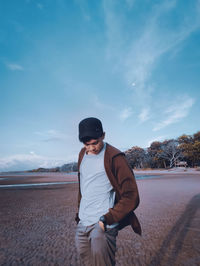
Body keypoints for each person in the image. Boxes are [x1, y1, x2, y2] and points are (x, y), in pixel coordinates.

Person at [75, 117, 141, 266]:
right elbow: (84, 187)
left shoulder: (115, 157)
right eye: (87, 144)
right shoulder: (81, 155)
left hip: (102, 224)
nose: (92, 148)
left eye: (95, 143)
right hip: (82, 222)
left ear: (103, 136)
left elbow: (132, 195)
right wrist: (79, 214)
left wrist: (108, 218)